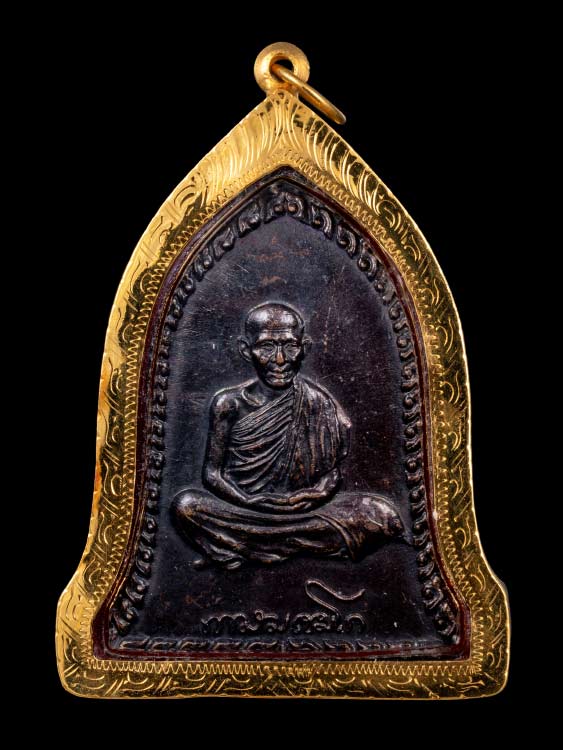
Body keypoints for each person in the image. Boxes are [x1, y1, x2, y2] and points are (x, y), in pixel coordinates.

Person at [172, 302, 404, 569]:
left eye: (290, 346)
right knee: (185, 506)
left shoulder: (318, 404)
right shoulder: (228, 404)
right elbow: (212, 474)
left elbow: (332, 475)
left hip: (302, 511)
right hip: (243, 508)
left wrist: (317, 495)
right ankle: (273, 543)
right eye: (267, 347)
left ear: (304, 348)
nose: (280, 360)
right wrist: (248, 500)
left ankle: (242, 545)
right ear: (246, 350)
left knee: (379, 515)